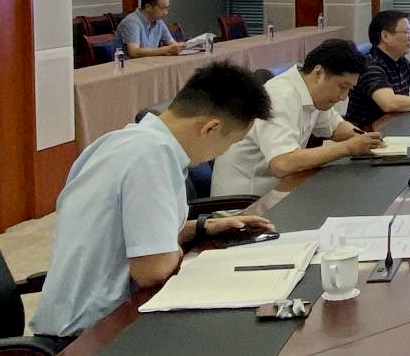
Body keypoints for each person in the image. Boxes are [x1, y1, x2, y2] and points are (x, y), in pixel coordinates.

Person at [30, 63, 274, 340]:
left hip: (80, 321)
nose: (223, 152)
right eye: (231, 143)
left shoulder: (120, 140)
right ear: (210, 128)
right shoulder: (152, 157)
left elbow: (125, 234)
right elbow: (152, 270)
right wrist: (172, 251)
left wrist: (201, 228)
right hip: (89, 338)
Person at [211, 40, 386, 198]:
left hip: (279, 193)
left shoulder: (313, 92)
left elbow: (335, 127)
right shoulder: (281, 97)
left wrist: (364, 139)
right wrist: (348, 148)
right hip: (245, 206)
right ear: (318, 73)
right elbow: (282, 164)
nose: (343, 97)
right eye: (342, 87)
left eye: (349, 89)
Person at [116, 0, 184, 58]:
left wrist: (185, 46)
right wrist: (165, 50)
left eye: (167, 8)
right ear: (148, 7)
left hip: (150, 62)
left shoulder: (158, 21)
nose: (166, 13)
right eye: (162, 8)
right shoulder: (131, 22)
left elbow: (173, 45)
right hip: (129, 64)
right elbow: (134, 52)